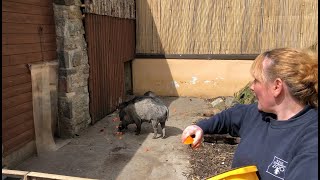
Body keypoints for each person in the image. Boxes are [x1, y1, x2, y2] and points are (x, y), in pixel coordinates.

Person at [181, 47, 318, 180]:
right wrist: (201, 127)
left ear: (277, 86)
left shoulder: (311, 138)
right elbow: (230, 116)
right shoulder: (258, 114)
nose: (251, 87)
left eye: (257, 80)